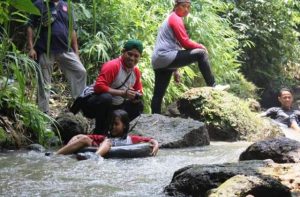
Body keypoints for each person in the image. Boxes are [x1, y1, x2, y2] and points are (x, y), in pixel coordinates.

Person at [151, 0, 229, 114]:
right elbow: (185, 43)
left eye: (188, 7)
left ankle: (154, 116)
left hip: (159, 60)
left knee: (158, 94)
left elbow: (174, 45)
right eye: (183, 6)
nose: (186, 9)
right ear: (176, 6)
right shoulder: (175, 18)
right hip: (166, 56)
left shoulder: (171, 18)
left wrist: (175, 70)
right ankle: (213, 85)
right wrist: (201, 46)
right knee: (201, 53)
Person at [71, 39, 144, 135]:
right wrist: (123, 93)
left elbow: (139, 91)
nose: (132, 58)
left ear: (139, 57)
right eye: (129, 54)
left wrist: (135, 98)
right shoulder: (113, 66)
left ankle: (117, 131)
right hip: (92, 103)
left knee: (138, 105)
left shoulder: (136, 72)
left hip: (115, 106)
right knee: (106, 98)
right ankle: (99, 132)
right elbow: (99, 87)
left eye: (136, 56)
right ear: (123, 52)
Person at [27, 0, 86, 114]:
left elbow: (72, 29)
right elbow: (30, 26)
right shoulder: (39, 4)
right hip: (45, 49)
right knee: (44, 82)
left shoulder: (67, 6)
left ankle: (79, 107)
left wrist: (76, 53)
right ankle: (43, 114)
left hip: (65, 48)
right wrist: (31, 48)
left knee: (80, 71)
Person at [56, 109, 159, 157]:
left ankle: (95, 156)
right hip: (99, 149)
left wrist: (156, 144)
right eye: (111, 124)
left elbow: (150, 140)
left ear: (124, 126)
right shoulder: (103, 138)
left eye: (116, 124)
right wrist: (77, 136)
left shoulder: (132, 139)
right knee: (85, 138)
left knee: (107, 142)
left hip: (113, 153)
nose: (112, 127)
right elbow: (87, 137)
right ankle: (56, 154)